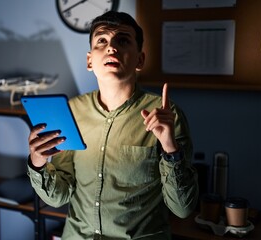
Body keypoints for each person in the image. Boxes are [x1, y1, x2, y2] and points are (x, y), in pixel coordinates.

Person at [27, 11, 198, 240]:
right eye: (102, 40)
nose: (111, 48)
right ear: (90, 60)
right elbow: (59, 196)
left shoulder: (166, 115)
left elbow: (182, 208)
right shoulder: (72, 111)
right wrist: (37, 163)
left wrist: (170, 148)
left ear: (139, 60)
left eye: (123, 40)